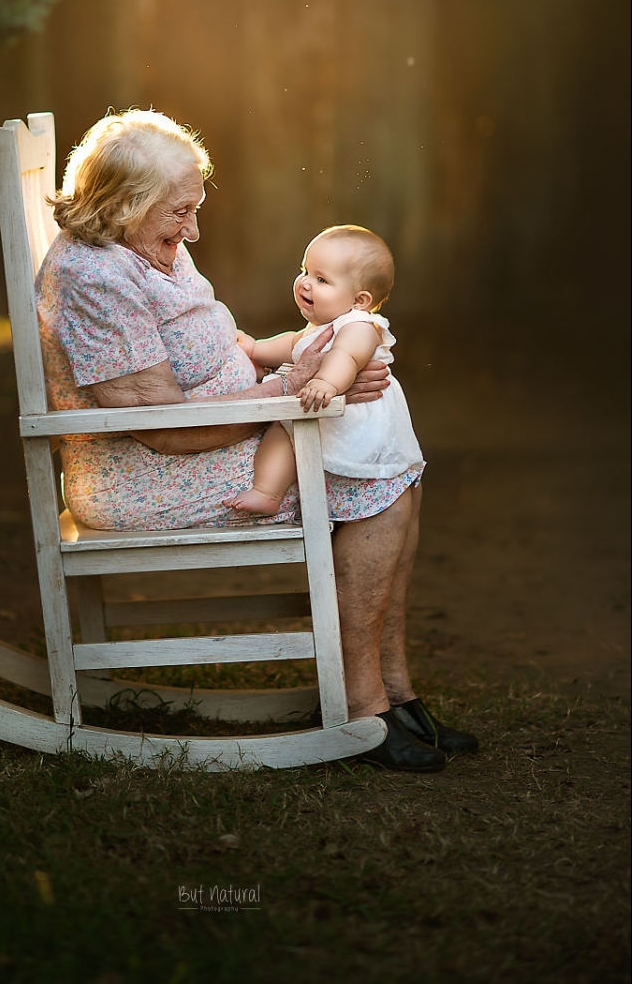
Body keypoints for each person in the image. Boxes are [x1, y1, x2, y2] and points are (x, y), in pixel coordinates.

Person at [36, 108, 478, 771]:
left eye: (193, 208)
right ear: (124, 203)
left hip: (221, 431)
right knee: (374, 479)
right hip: (144, 473)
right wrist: (293, 388)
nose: (193, 229)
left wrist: (292, 370)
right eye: (180, 212)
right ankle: (365, 708)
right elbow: (159, 428)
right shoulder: (94, 277)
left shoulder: (141, 241)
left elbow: (206, 346)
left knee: (398, 475)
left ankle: (396, 692)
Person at [226, 225, 424, 516]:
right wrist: (255, 348)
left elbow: (347, 356)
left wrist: (327, 382)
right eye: (305, 271)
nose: (305, 283)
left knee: (287, 429)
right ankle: (267, 492)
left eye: (321, 279)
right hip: (320, 410)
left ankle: (288, 492)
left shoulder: (359, 325)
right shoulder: (320, 328)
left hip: (353, 419)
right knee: (282, 430)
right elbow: (291, 344)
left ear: (359, 300)